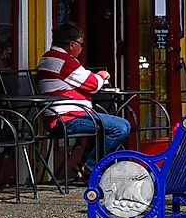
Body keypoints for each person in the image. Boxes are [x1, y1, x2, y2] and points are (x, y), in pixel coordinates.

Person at [35, 21, 132, 161]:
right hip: (66, 119)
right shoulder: (63, 61)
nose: (81, 49)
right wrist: (102, 75)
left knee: (117, 124)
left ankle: (87, 167)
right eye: (81, 44)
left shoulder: (50, 58)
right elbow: (92, 84)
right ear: (72, 44)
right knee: (119, 128)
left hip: (70, 115)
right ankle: (91, 168)